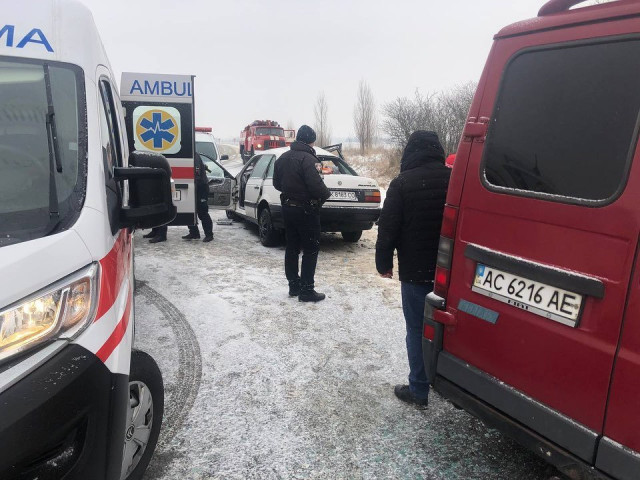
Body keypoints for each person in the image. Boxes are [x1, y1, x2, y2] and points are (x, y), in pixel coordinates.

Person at [375, 130, 451, 407]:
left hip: (416, 273)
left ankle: (419, 389)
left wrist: (384, 264)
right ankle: (447, 382)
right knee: (447, 330)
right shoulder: (455, 180)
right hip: (451, 274)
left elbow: (388, 228)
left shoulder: (402, 183)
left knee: (418, 329)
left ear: (410, 152)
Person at [273, 125, 331, 302]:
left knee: (292, 247)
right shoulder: (310, 159)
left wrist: (291, 192)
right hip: (307, 210)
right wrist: (326, 195)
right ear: (311, 141)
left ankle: (294, 286)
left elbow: (276, 183)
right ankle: (307, 290)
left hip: (288, 208)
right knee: (311, 249)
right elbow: (316, 186)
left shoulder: (282, 158)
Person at [182, 152, 214, 242]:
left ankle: (209, 235)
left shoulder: (194, 155)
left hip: (201, 187)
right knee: (189, 210)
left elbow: (197, 174)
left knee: (202, 212)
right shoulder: (189, 154)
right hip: (193, 186)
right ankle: (194, 233)